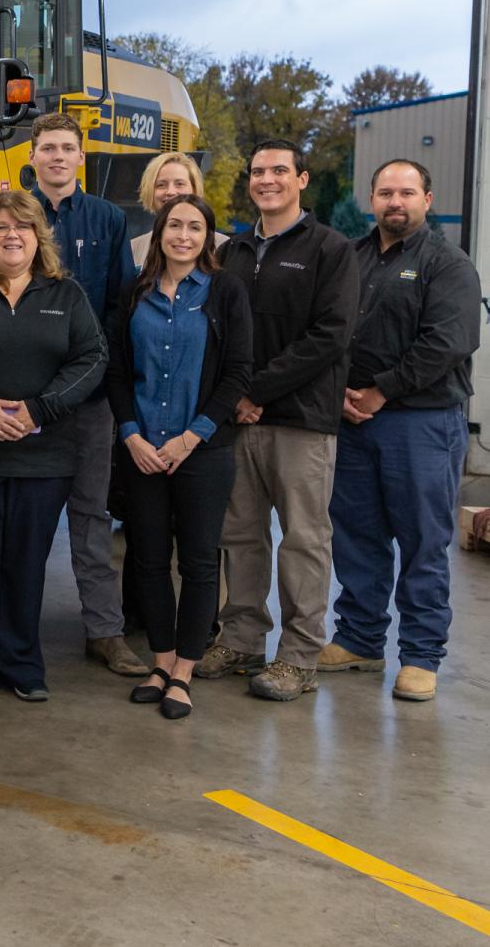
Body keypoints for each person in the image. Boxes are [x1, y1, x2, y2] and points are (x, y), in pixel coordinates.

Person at [0, 191, 107, 704]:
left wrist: (39, 409)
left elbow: (93, 358)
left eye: (23, 227)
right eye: (1, 227)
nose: (12, 235)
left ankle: (21, 663)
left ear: (39, 237)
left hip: (45, 458)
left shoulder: (65, 294)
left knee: (25, 566)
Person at [198, 138, 359, 701]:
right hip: (237, 422)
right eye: (258, 172)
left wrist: (255, 390)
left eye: (279, 171)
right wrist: (233, 398)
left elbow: (331, 335)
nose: (267, 180)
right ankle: (241, 637)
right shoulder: (234, 252)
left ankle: (298, 656)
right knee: (238, 534)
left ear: (302, 179)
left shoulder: (331, 250)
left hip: (302, 421)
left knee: (304, 540)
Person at [322, 160, 480, 702]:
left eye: (407, 193)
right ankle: (361, 640)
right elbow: (331, 331)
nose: (396, 202)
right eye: (386, 192)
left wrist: (381, 391)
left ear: (427, 200)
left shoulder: (447, 263)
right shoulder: (354, 256)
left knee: (421, 542)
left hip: (421, 424)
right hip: (353, 421)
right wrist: (340, 391)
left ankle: (420, 656)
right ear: (372, 198)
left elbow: (448, 343)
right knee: (357, 536)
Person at [109, 196, 251, 719]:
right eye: (174, 226)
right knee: (145, 559)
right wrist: (130, 435)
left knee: (197, 561)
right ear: (160, 232)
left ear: (208, 236)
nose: (184, 236)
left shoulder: (225, 292)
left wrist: (191, 438)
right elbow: (118, 372)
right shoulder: (134, 292)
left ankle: (185, 669)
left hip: (202, 452)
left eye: (195, 227)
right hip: (142, 450)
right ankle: (161, 659)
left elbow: (237, 372)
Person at [29, 111, 145, 677]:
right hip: (23, 400)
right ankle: (11, 631)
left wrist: (105, 383)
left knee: (92, 516)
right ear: (33, 157)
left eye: (67, 148)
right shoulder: (12, 216)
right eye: (47, 147)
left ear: (81, 156)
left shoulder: (106, 218)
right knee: (19, 520)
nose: (57, 156)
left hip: (91, 399)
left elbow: (120, 303)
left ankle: (105, 631)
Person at [129, 152, 228, 266]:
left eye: (179, 184)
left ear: (195, 189)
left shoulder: (224, 247)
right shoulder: (133, 248)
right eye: (161, 185)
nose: (170, 191)